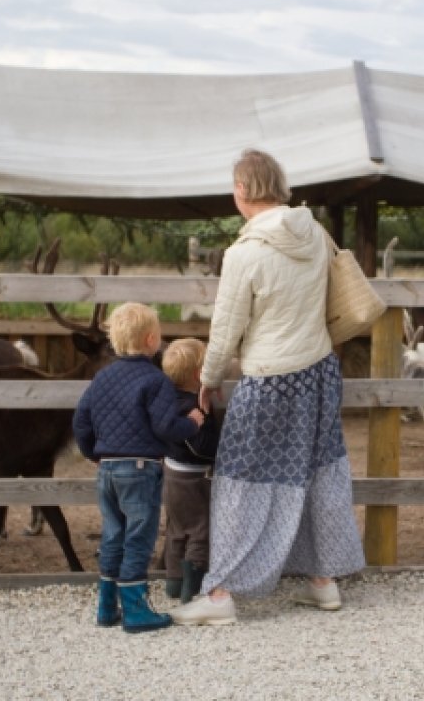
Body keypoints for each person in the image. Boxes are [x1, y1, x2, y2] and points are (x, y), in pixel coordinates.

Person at [170, 148, 366, 627]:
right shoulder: (317, 234)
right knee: (317, 472)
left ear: (241, 190)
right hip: (319, 372)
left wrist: (208, 379)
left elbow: (226, 328)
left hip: (271, 378)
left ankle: (220, 593)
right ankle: (323, 581)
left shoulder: (245, 253)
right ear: (280, 187)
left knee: (242, 483)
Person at [73, 302, 204, 634]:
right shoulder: (155, 380)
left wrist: (92, 452)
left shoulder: (102, 378)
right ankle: (135, 611)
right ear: (150, 340)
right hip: (139, 468)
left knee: (113, 535)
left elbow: (81, 420)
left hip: (107, 471)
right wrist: (193, 421)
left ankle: (106, 606)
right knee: (139, 538)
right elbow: (165, 427)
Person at [158, 337, 223, 604]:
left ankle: (173, 582)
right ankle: (191, 589)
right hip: (192, 477)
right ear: (199, 374)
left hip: (170, 472)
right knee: (199, 529)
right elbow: (201, 448)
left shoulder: (165, 400)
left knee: (176, 528)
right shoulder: (192, 408)